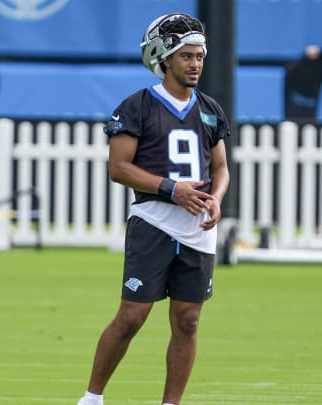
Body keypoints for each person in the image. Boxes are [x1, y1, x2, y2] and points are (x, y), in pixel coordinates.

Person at [77, 13, 230, 405]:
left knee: (188, 320)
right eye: (187, 57)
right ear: (164, 59)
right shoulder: (138, 106)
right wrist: (170, 189)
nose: (195, 64)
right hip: (153, 222)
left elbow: (221, 168)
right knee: (132, 317)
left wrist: (217, 198)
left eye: (200, 56)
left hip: (198, 228)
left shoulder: (210, 109)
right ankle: (92, 398)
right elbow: (119, 167)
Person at [284, 45, 322, 121]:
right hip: (292, 120)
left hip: (310, 121)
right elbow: (289, 69)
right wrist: (305, 58)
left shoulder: (320, 74)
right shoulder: (294, 72)